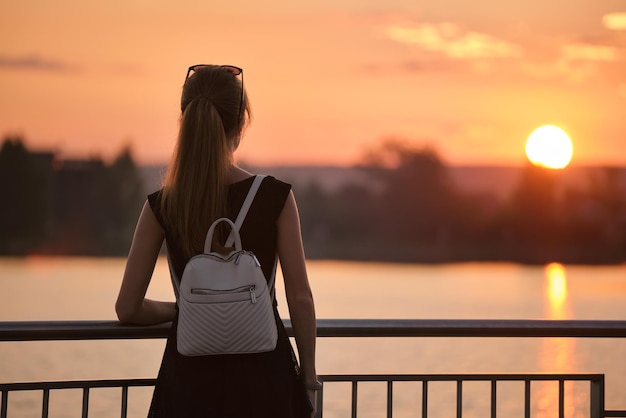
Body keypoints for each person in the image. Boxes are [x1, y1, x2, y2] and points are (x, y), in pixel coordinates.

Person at [115, 64, 319, 418]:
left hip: (189, 385)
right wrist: (309, 377)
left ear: (186, 121)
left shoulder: (161, 205)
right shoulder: (275, 197)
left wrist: (182, 308)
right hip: (265, 381)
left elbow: (128, 308)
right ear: (240, 124)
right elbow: (300, 297)